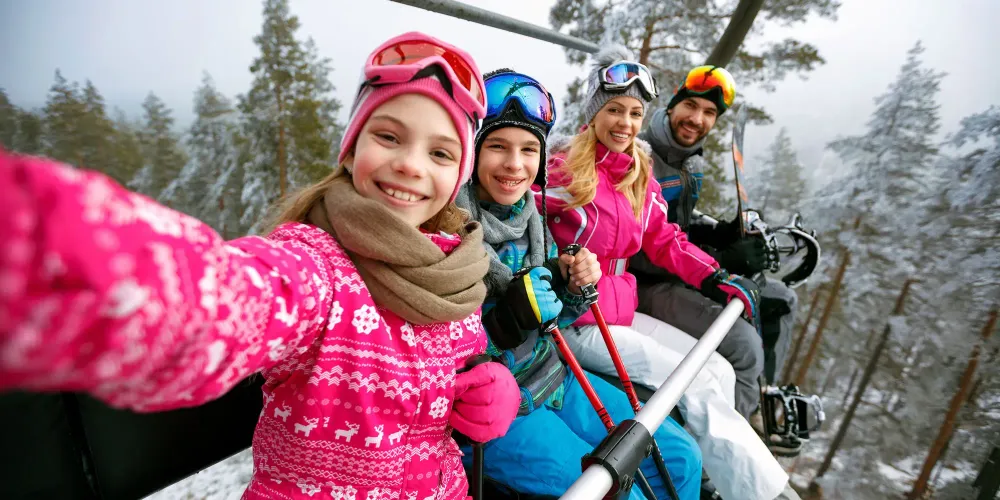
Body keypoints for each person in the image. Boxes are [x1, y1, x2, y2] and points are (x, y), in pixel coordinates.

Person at [0, 32, 521, 500]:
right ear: (352, 146)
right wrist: (43, 241)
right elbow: (218, 301)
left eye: (440, 153)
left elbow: (456, 369)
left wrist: (485, 387)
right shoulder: (316, 267)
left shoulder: (455, 267)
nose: (410, 163)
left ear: (458, 177)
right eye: (388, 136)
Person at [537, 47, 790, 500]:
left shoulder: (638, 170)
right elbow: (522, 215)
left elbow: (663, 237)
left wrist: (715, 276)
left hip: (620, 307)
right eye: (615, 110)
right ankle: (762, 493)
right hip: (578, 318)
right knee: (693, 383)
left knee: (716, 368)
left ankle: (720, 473)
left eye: (635, 113)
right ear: (595, 112)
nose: (626, 123)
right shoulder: (562, 168)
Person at [455, 68, 702, 500]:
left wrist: (569, 284)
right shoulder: (451, 225)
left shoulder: (530, 216)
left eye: (529, 149)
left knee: (681, 458)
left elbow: (553, 313)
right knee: (620, 490)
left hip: (553, 375)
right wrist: (500, 324)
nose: (515, 164)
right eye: (497, 146)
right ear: (471, 153)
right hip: (501, 408)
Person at [629, 65, 801, 446]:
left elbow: (677, 226)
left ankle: (757, 399)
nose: (697, 119)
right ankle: (721, 454)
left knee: (781, 299)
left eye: (709, 113)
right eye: (690, 106)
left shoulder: (688, 161)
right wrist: (721, 258)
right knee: (743, 346)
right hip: (644, 282)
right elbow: (640, 248)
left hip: (679, 268)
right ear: (672, 104)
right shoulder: (642, 158)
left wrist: (720, 232)